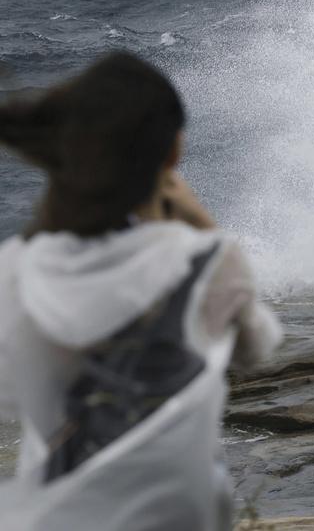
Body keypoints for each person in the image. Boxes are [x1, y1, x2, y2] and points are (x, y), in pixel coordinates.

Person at [0, 52, 283, 530]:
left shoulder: (18, 268)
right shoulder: (204, 259)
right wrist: (202, 225)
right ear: (173, 152)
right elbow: (258, 348)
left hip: (52, 513)